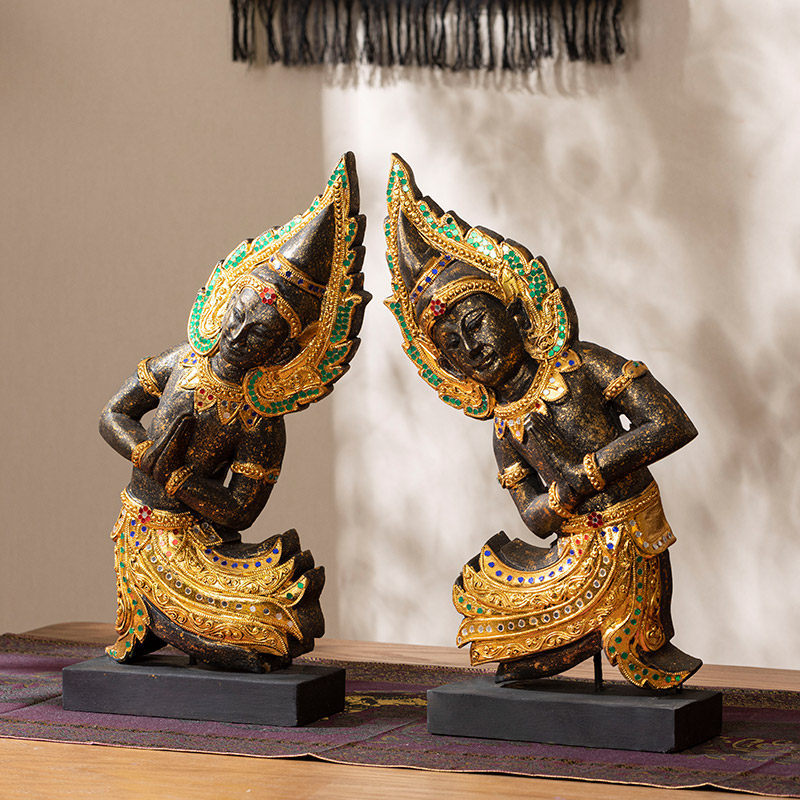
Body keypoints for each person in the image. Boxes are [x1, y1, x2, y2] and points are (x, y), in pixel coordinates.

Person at [385, 154, 701, 690]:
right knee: (484, 595)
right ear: (449, 366)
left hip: (631, 534)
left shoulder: (582, 364)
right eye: (453, 345)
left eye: (476, 323)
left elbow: (671, 423)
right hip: (574, 549)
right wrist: (561, 496)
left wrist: (591, 471)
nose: (472, 347)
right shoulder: (504, 428)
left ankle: (627, 644)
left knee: (635, 635)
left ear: (513, 312)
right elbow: (534, 517)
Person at [99, 154, 368, 672]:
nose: (240, 335)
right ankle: (154, 622)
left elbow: (242, 510)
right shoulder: (183, 361)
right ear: (226, 304)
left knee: (277, 607)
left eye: (260, 332)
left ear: (283, 349)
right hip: (140, 530)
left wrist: (179, 480)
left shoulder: (260, 419)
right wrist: (143, 452)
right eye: (239, 316)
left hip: (195, 538)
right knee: (248, 627)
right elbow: (113, 413)